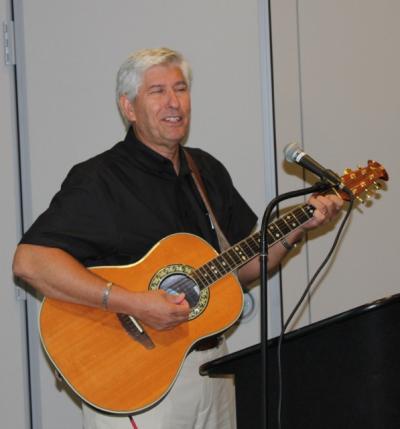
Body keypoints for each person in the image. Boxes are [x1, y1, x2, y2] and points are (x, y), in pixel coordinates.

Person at [13, 47, 343, 429]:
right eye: (157, 91)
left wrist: (298, 228)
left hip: (214, 366)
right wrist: (133, 302)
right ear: (129, 107)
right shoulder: (99, 179)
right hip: (136, 376)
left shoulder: (206, 170)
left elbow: (239, 269)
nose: (174, 102)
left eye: (181, 89)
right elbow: (30, 261)